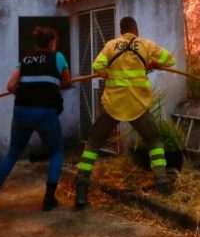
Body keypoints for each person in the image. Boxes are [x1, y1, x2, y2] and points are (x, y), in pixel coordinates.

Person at [74, 16, 176, 209]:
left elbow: (97, 66)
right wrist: (151, 65)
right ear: (135, 29)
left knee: (93, 144)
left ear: (121, 30)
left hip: (113, 105)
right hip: (137, 105)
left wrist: (108, 74)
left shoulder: (111, 45)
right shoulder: (146, 45)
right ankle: (163, 183)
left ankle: (81, 190)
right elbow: (169, 60)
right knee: (154, 141)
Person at [0, 26, 70, 213]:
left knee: (13, 154)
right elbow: (67, 82)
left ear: (37, 44)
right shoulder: (58, 57)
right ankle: (48, 199)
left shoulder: (25, 60)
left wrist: (29, 89)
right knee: (56, 152)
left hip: (21, 112)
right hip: (45, 112)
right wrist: (50, 85)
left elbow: (10, 86)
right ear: (52, 43)